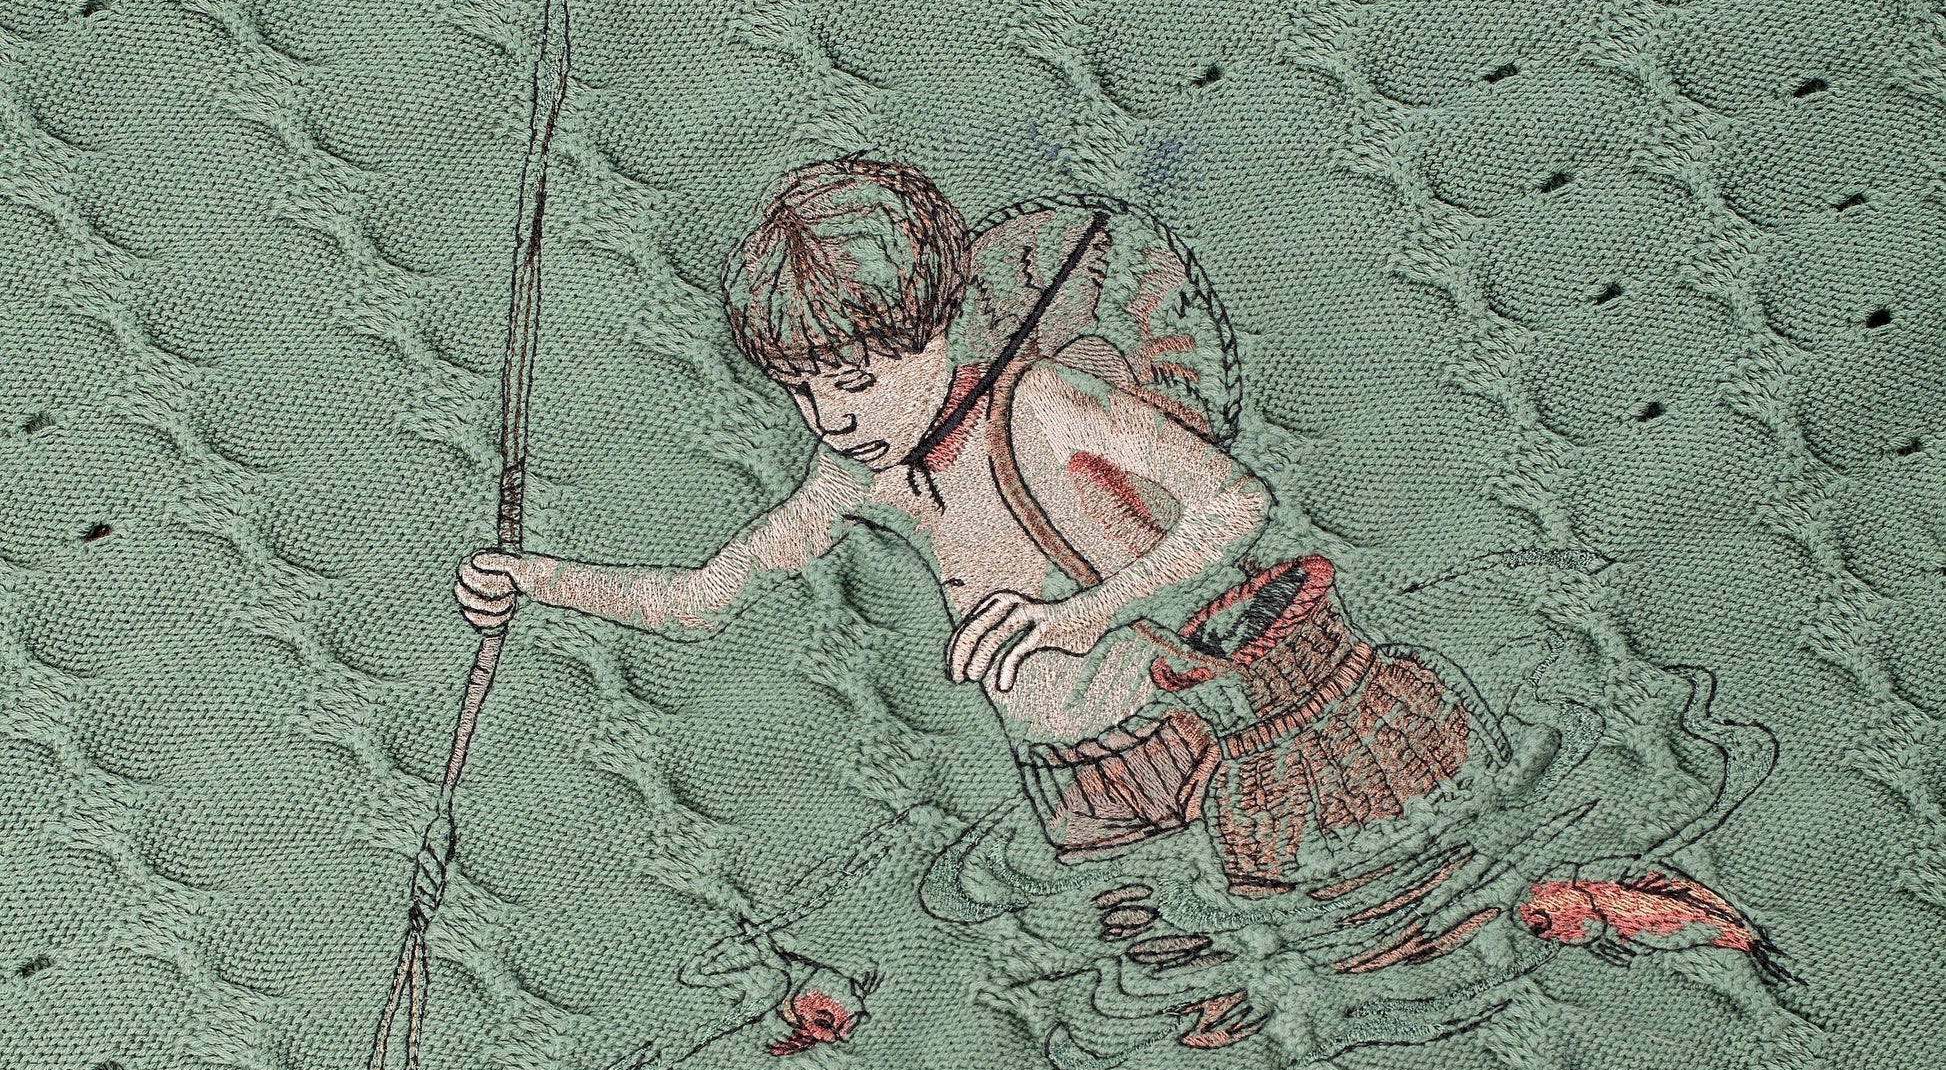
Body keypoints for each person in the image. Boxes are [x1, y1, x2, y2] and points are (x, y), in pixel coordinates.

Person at [455, 155, 1468, 890]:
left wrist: (1081, 616)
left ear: (937, 328)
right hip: (1073, 787)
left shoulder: (1043, 404)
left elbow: (1236, 503)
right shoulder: (854, 476)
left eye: (856, 381)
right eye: (803, 390)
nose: (832, 418)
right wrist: (535, 580)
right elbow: (701, 599)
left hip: (1206, 741)